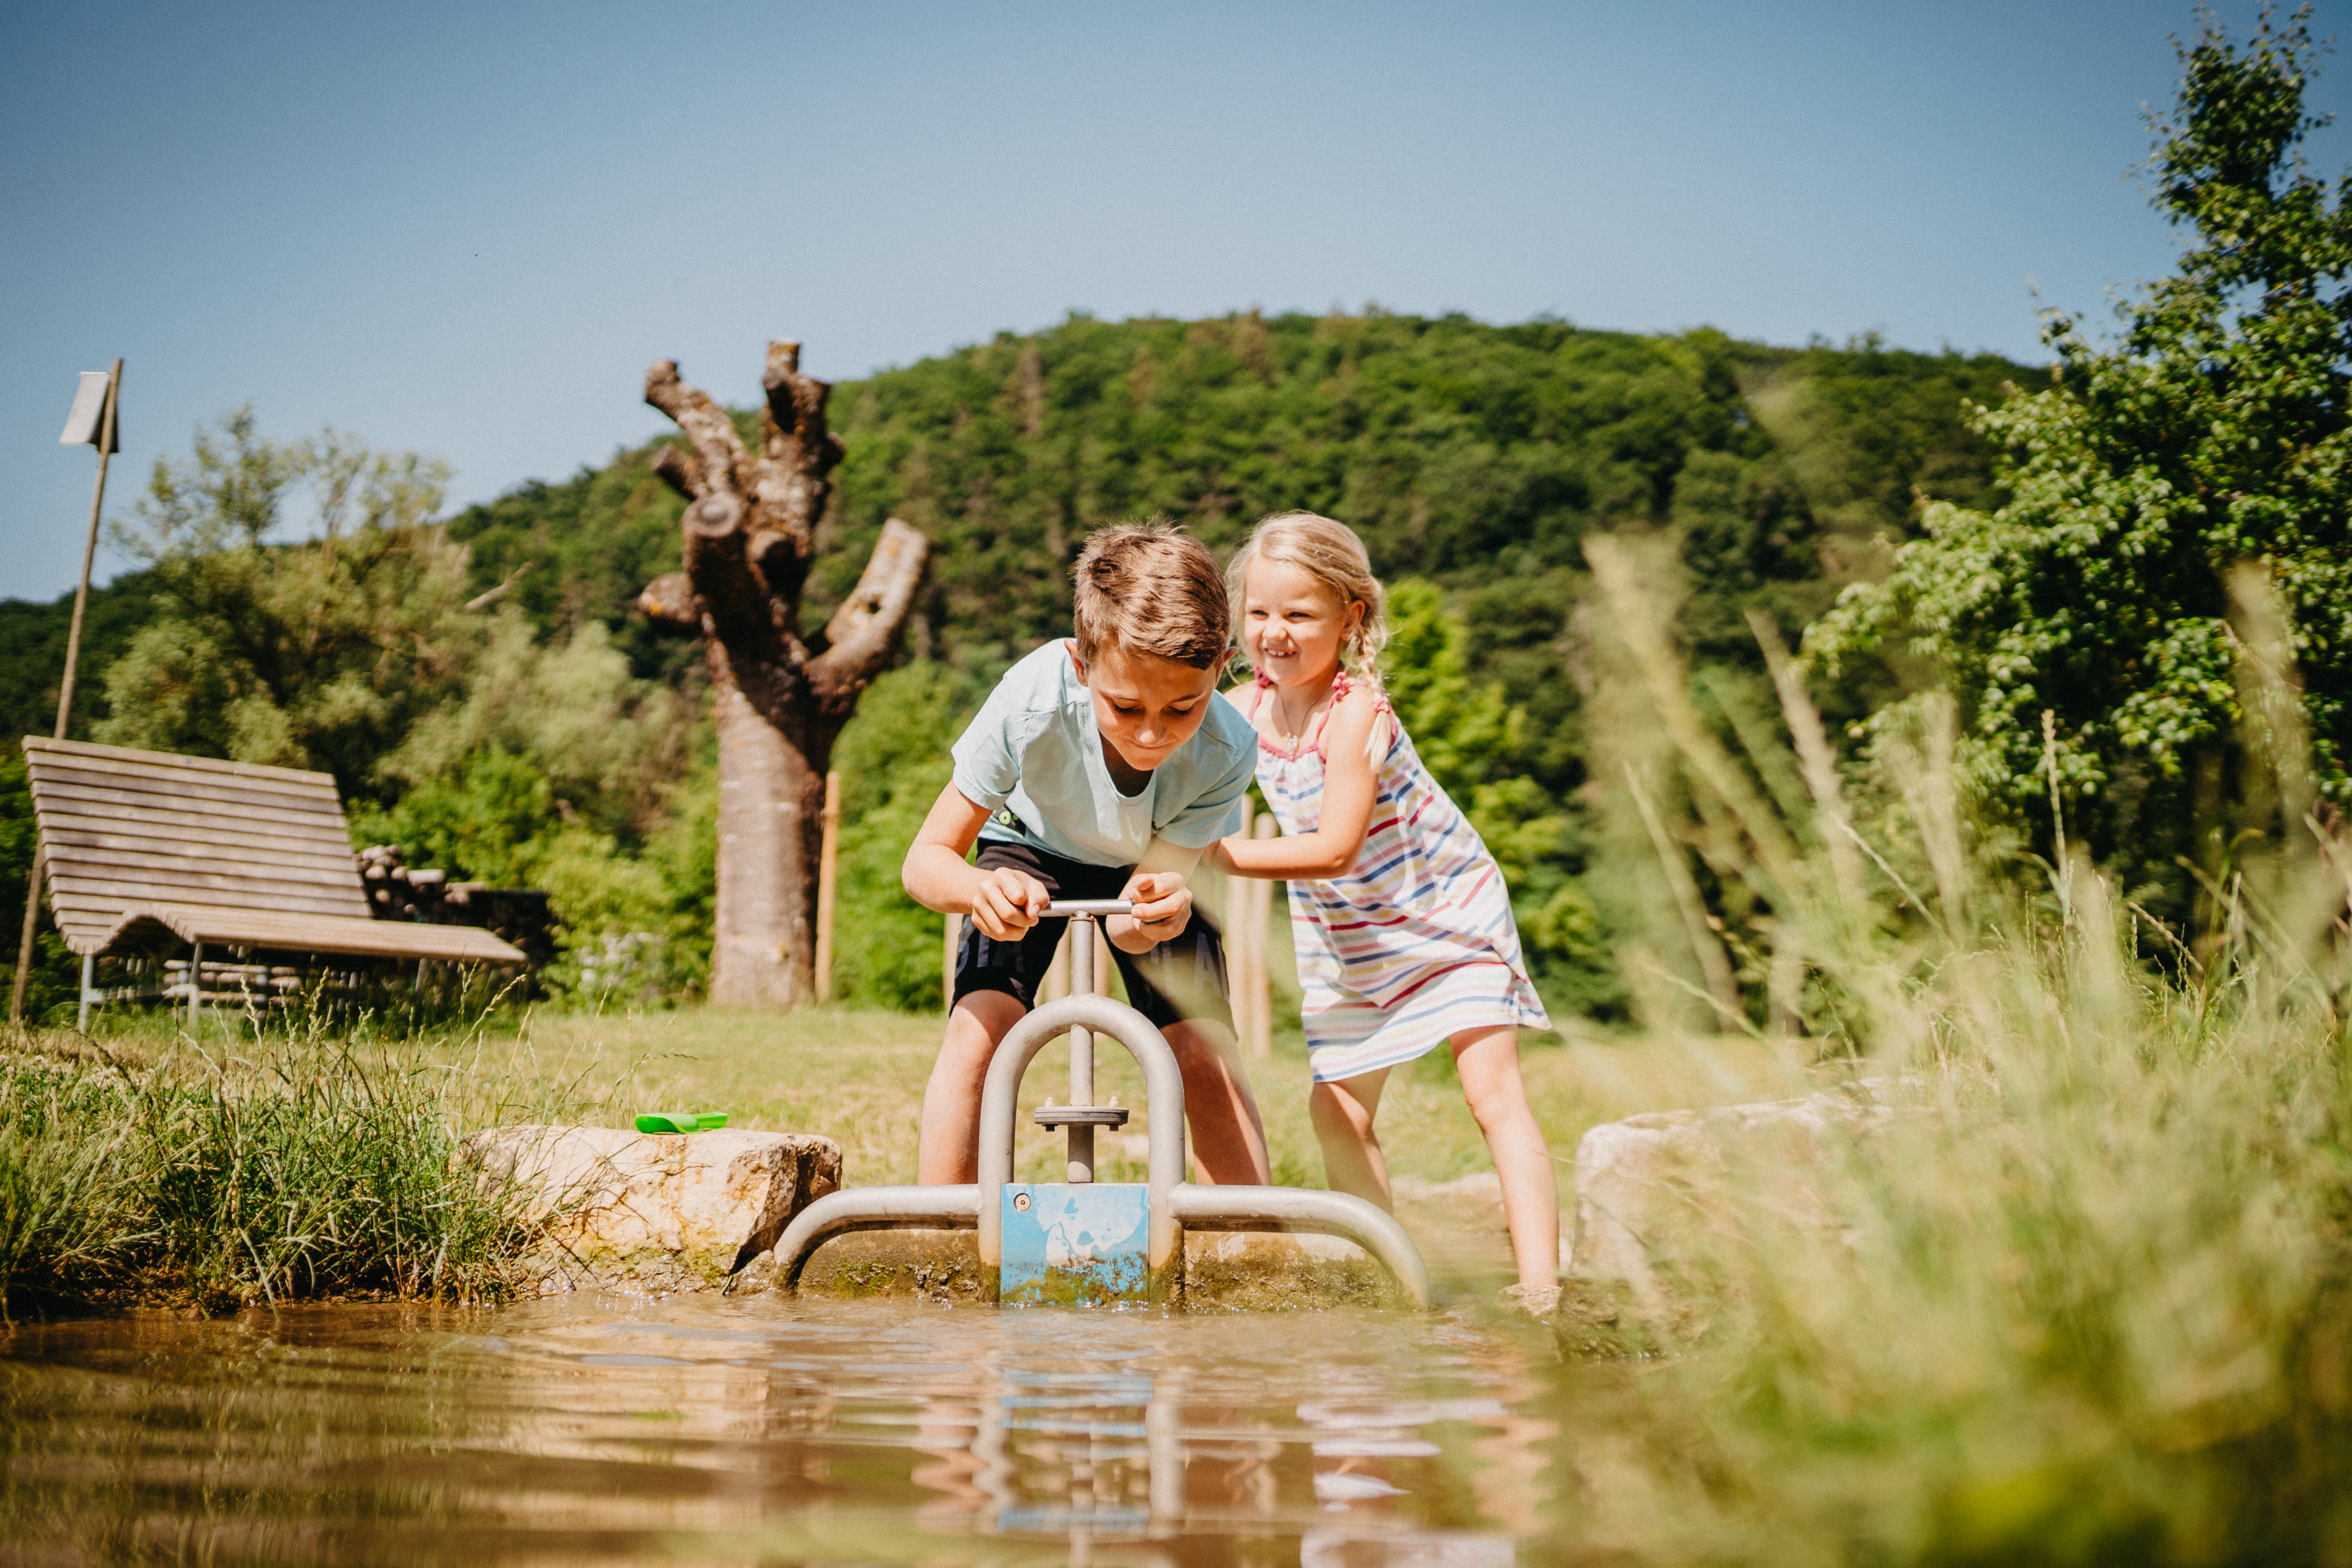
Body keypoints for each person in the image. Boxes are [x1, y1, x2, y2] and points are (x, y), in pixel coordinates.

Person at [1212, 511, 1560, 1312]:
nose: (1275, 633)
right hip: (1351, 939)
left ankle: (1541, 1289)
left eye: (1299, 615)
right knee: (1334, 1110)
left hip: (1444, 917)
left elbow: (1334, 847)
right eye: (1259, 613)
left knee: (1491, 1093)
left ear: (1352, 618)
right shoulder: (1242, 713)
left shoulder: (1358, 711)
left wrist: (1208, 858)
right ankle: (1390, 1281)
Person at [903, 522, 1271, 1186]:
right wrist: (975, 893)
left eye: (1183, 707)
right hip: (1030, 851)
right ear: (1082, 665)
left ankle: (1254, 1242)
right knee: (980, 1028)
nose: (1153, 734)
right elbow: (925, 862)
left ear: (1221, 667)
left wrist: (1156, 915)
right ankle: (943, 1235)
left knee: (1203, 1048)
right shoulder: (1032, 699)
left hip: (1146, 871)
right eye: (1124, 707)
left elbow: (1134, 925)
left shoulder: (1228, 748)